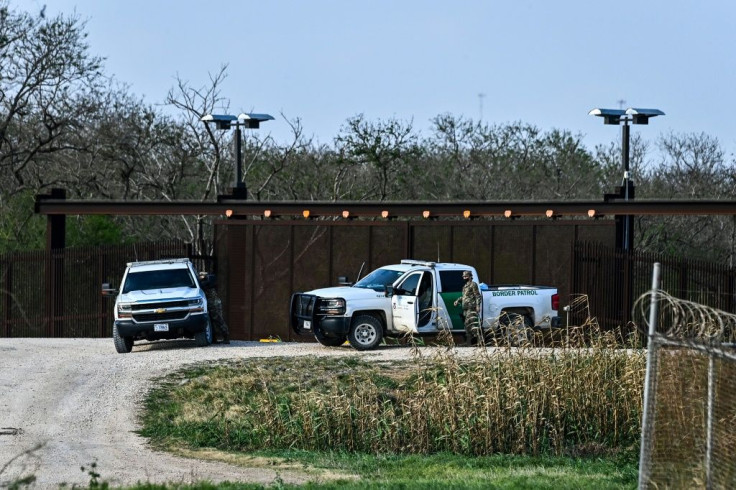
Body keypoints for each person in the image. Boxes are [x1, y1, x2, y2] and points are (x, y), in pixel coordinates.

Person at [198, 271, 230, 344]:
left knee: (218, 319)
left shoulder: (208, 281)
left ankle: (226, 336)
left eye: (201, 276)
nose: (200, 277)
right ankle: (214, 338)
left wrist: (204, 278)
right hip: (209, 303)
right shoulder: (204, 282)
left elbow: (208, 281)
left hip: (214, 303)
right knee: (211, 321)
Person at [453, 270, 481, 346]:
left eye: (465, 276)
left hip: (471, 308)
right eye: (463, 276)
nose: (464, 278)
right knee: (467, 326)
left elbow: (478, 296)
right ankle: (468, 343)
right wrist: (457, 300)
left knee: (473, 326)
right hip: (465, 309)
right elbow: (464, 297)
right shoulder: (465, 286)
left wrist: (478, 306)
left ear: (469, 276)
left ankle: (480, 342)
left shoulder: (473, 285)